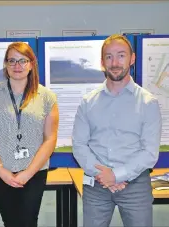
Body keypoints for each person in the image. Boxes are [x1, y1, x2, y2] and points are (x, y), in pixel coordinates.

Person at [72, 34, 162, 227]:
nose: (115, 62)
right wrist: (104, 177)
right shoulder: (88, 103)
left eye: (121, 55)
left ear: (132, 58)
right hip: (96, 185)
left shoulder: (148, 103)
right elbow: (79, 145)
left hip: (135, 186)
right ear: (102, 62)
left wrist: (116, 175)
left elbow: (149, 152)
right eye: (109, 56)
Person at [0, 42, 59, 227]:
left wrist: (28, 173)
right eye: (12, 60)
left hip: (34, 171)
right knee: (10, 221)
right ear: (5, 65)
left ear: (31, 64)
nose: (17, 66)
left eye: (22, 60)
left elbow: (50, 138)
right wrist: (1, 170)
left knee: (28, 221)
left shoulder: (47, 97)